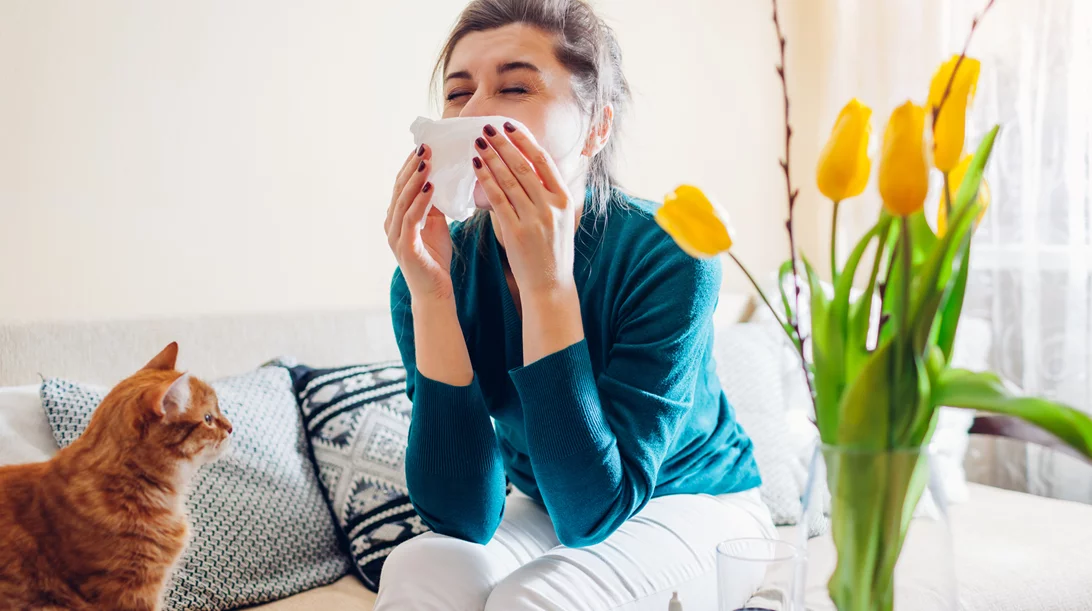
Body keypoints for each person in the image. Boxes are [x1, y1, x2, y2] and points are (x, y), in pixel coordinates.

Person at [379, 1, 774, 609]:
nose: (476, 111)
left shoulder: (672, 253)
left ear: (596, 127)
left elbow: (593, 512)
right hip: (549, 500)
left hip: (695, 502)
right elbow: (461, 516)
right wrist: (432, 296)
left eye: (514, 86)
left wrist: (547, 288)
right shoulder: (431, 271)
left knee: (534, 600)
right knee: (417, 568)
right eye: (458, 95)